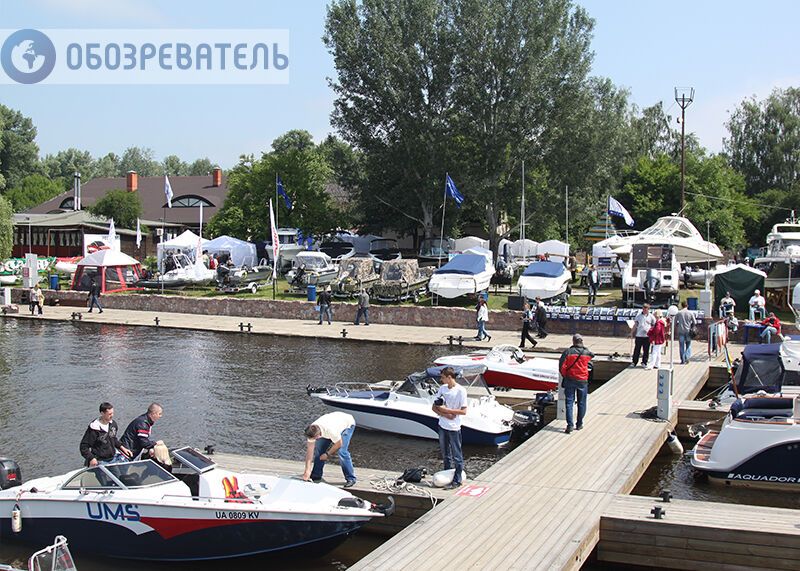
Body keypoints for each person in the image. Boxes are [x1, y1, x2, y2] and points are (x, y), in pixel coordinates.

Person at [432, 367, 467, 489]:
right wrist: (446, 413)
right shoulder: (442, 389)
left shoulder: (460, 391)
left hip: (454, 428)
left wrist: (447, 410)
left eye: (442, 377)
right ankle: (446, 475)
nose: (441, 380)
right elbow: (434, 407)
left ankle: (457, 480)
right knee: (445, 453)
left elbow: (463, 411)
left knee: (457, 455)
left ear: (449, 377)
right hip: (442, 425)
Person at [302, 411, 356, 487]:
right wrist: (307, 471)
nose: (312, 440)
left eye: (314, 439)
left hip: (347, 423)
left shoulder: (332, 431)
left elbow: (339, 444)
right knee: (319, 450)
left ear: (317, 436)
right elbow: (309, 452)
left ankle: (351, 478)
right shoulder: (311, 431)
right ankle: (316, 475)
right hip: (332, 422)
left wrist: (327, 454)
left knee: (342, 451)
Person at [559, 334, 594, 434]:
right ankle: (579, 424)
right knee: (582, 403)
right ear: (582, 341)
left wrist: (565, 375)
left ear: (573, 341)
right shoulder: (586, 352)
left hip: (570, 379)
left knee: (569, 403)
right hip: (582, 380)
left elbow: (562, 366)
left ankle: (570, 425)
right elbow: (592, 355)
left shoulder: (568, 352)